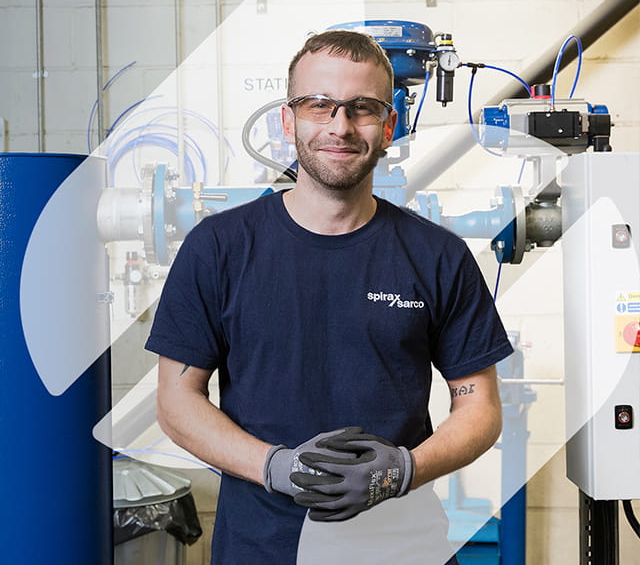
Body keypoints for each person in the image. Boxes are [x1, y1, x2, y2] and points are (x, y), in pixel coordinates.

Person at [145, 29, 514, 565]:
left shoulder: (438, 255)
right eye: (320, 105)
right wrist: (275, 466)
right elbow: (177, 401)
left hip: (404, 546)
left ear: (388, 127)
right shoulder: (219, 248)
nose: (340, 126)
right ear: (288, 121)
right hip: (265, 547)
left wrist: (402, 471)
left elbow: (479, 407)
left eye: (362, 108)